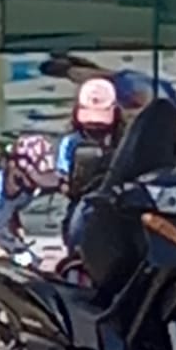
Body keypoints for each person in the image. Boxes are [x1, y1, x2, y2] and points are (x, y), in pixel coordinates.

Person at [58, 78, 123, 255]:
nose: (94, 127)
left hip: (117, 204)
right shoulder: (70, 142)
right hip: (82, 202)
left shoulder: (122, 141)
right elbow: (62, 178)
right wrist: (72, 186)